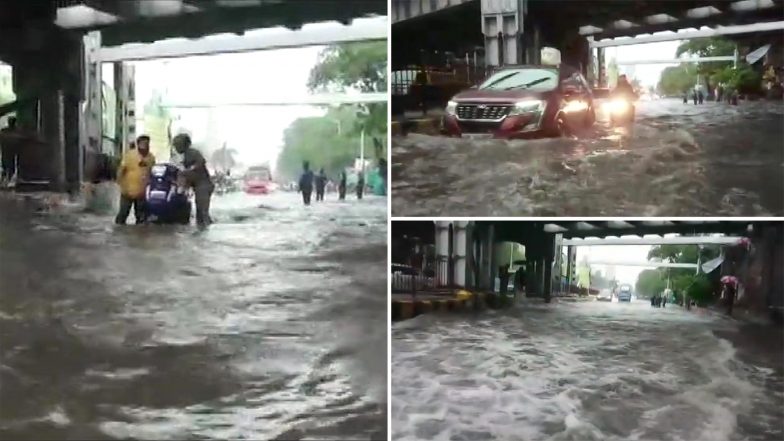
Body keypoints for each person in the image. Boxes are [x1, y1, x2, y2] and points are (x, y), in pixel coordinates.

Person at [172, 133, 213, 226]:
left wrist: (189, 169)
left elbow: (201, 162)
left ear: (184, 144)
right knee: (199, 212)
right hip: (198, 186)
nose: (176, 147)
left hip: (204, 185)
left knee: (202, 212)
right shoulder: (184, 155)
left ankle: (206, 231)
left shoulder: (193, 152)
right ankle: (202, 232)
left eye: (177, 144)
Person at [115, 135, 155, 224]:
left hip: (141, 193)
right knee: (123, 214)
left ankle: (139, 235)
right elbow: (121, 170)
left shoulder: (151, 157)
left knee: (141, 218)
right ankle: (118, 233)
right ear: (138, 144)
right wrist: (120, 184)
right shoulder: (130, 155)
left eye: (147, 144)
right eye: (143, 144)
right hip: (127, 192)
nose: (146, 146)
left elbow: (152, 173)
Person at [0, 117, 19, 185]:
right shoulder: (16, 131)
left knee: (6, 166)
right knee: (10, 167)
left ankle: (4, 180)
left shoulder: (4, 131)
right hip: (10, 151)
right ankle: (7, 180)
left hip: (6, 151)